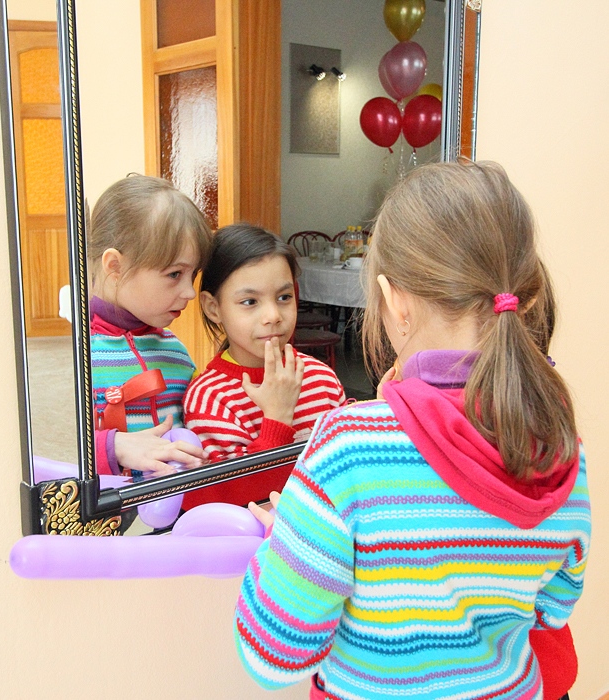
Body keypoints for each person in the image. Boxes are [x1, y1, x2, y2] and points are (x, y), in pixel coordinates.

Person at [234, 161, 591, 699]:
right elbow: (552, 608)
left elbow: (274, 655)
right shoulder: (561, 446)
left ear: (394, 300)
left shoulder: (349, 450)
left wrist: (288, 540)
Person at [181, 224, 346, 509]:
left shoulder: (321, 378)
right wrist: (277, 419)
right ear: (213, 308)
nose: (273, 315)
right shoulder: (210, 398)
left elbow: (348, 470)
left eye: (284, 297)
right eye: (250, 301)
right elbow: (229, 499)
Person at [89, 174, 212, 476]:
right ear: (115, 266)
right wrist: (113, 447)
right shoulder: (76, 356)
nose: (190, 292)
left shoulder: (177, 352)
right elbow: (51, 454)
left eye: (193, 275)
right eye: (174, 274)